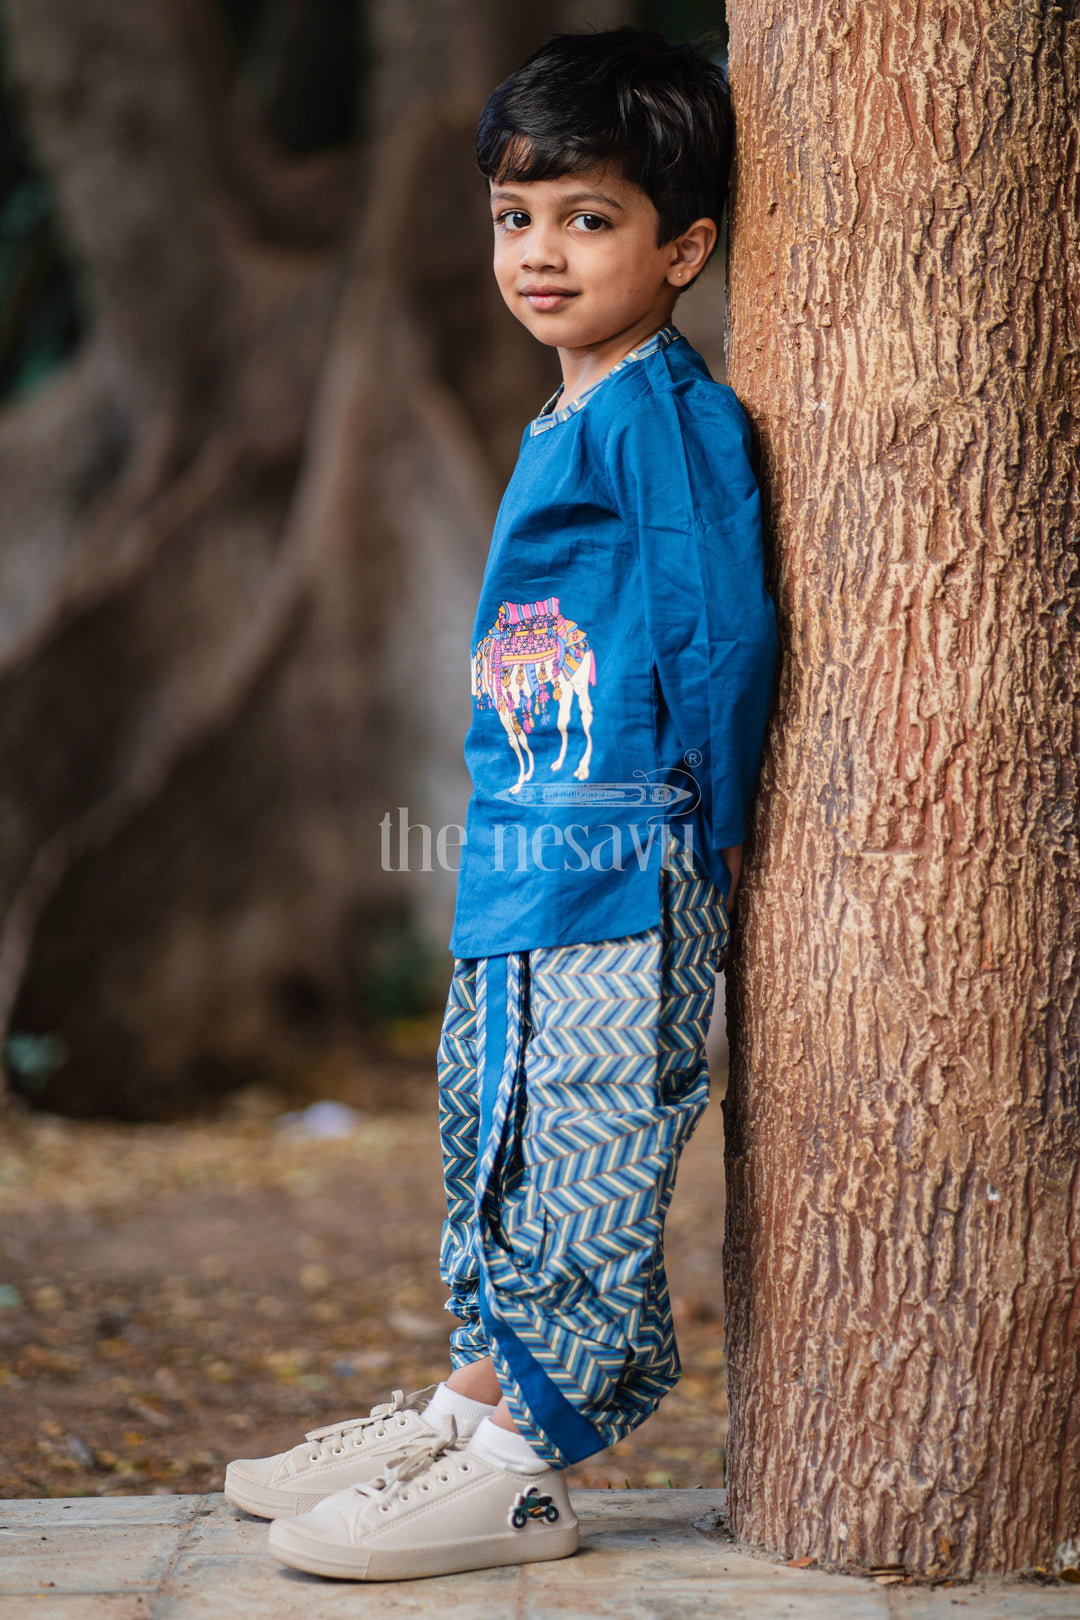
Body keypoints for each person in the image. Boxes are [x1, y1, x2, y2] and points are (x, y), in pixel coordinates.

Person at [224, 26, 778, 1582]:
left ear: (685, 248)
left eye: (587, 218)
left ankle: (530, 1463)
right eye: (513, 216)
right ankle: (473, 1401)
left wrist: (716, 823)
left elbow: (715, 625)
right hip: (531, 854)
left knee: (591, 1133)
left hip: (623, 851)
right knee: (499, 1127)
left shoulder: (664, 415)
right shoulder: (567, 409)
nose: (539, 251)